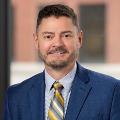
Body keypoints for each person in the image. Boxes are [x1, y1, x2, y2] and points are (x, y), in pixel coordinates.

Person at [4, 4, 120, 120]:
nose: (58, 43)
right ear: (36, 41)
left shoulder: (111, 91)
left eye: (66, 35)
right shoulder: (16, 96)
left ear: (79, 39)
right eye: (48, 36)